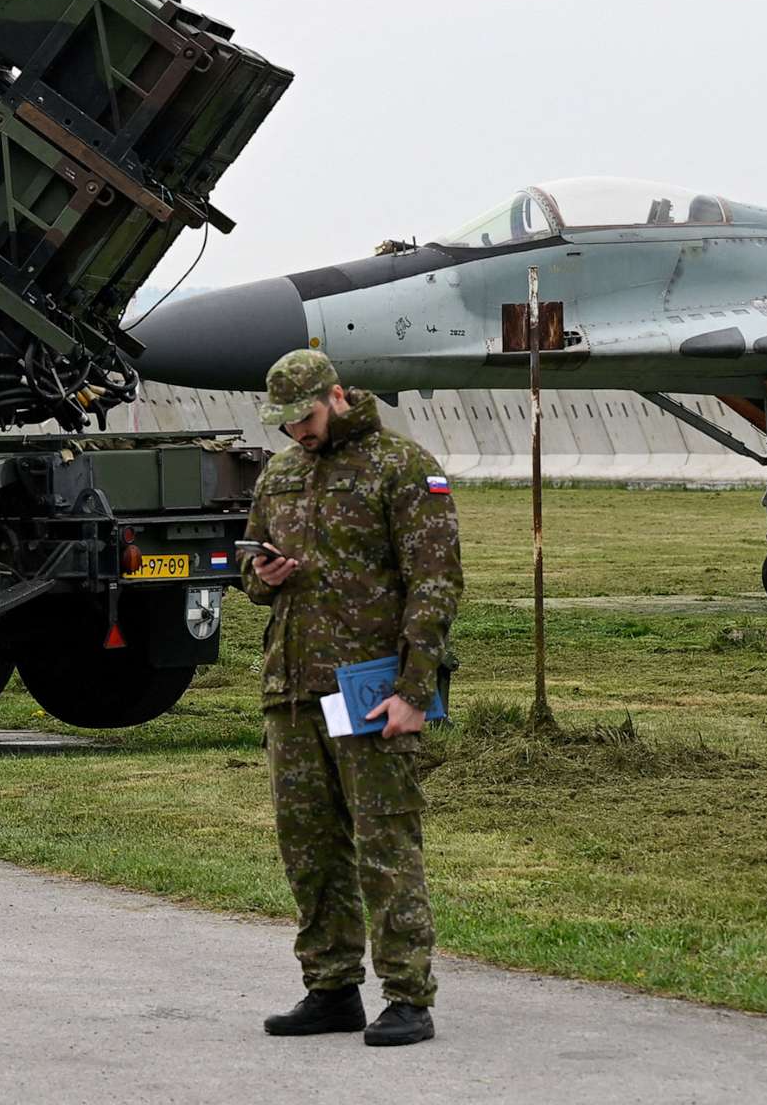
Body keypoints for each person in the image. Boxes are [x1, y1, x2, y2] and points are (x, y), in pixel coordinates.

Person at [243, 349, 461, 1047]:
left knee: (384, 842)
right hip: (294, 689)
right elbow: (249, 563)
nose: (296, 435)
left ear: (336, 396)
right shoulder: (279, 473)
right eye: (285, 426)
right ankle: (331, 987)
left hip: (370, 690)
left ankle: (408, 995)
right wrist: (263, 574)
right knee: (308, 848)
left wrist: (413, 690)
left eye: (304, 419)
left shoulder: (402, 465)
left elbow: (435, 583)